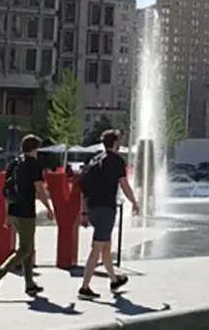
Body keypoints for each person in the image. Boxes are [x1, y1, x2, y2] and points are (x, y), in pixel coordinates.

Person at [0, 134, 53, 300]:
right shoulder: (34, 165)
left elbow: (7, 190)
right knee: (24, 249)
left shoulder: (15, 163)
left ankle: (30, 284)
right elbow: (39, 190)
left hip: (15, 210)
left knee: (27, 247)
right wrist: (49, 208)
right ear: (34, 149)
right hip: (26, 211)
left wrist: (8, 214)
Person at [77, 129, 140, 300]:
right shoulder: (117, 161)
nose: (120, 144)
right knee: (97, 248)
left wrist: (84, 212)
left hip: (93, 207)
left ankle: (114, 280)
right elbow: (124, 185)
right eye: (119, 141)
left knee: (105, 247)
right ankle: (84, 287)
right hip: (106, 208)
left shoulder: (95, 160)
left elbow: (83, 189)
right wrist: (134, 202)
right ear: (114, 143)